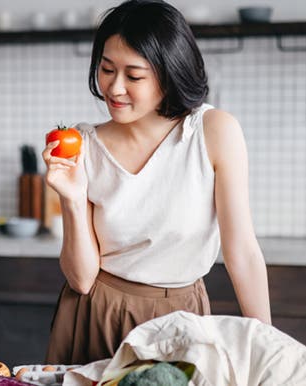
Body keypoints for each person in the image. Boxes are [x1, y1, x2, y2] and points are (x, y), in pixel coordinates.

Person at [41, 0, 272, 365]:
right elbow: (82, 279)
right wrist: (72, 198)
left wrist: (266, 347)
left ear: (169, 73)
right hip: (96, 313)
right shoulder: (82, 145)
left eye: (134, 76)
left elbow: (241, 250)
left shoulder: (212, 132)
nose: (114, 88)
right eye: (106, 69)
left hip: (182, 316)